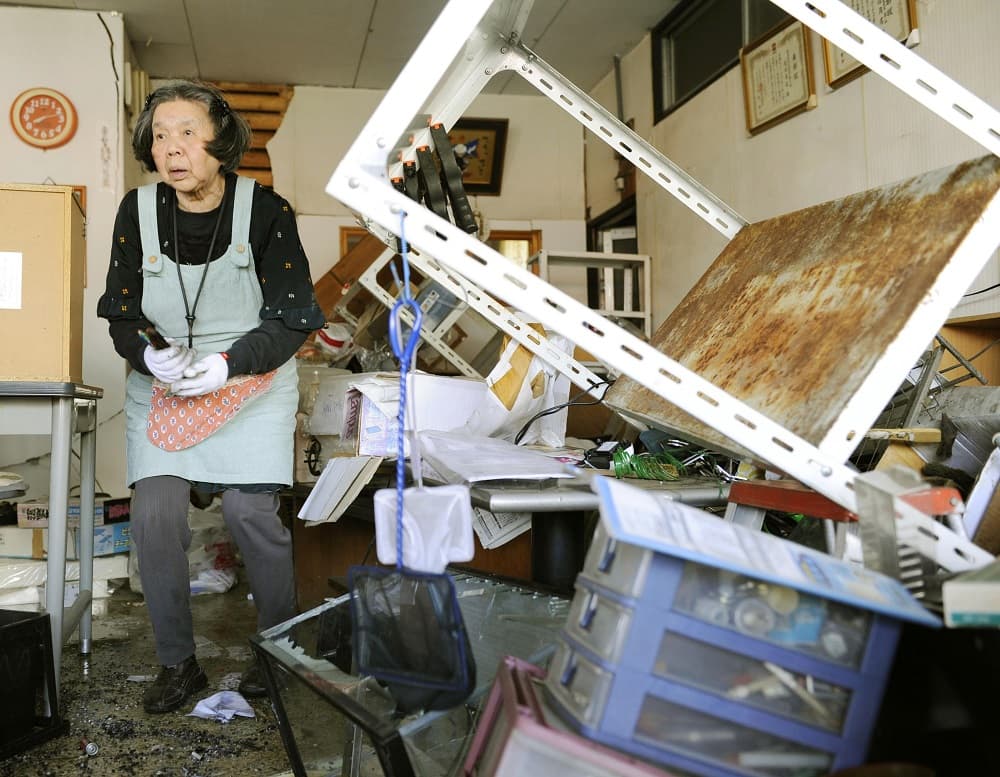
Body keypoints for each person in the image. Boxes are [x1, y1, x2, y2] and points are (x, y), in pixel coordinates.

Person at [97, 80, 325, 714]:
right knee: (155, 516)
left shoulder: (267, 210)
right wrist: (148, 353)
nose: (173, 148)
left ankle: (274, 655)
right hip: (166, 386)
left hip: (250, 379)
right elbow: (121, 312)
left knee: (253, 518)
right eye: (161, 135)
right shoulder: (135, 213)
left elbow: (292, 318)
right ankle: (177, 664)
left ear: (221, 143)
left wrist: (226, 365)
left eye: (188, 133)